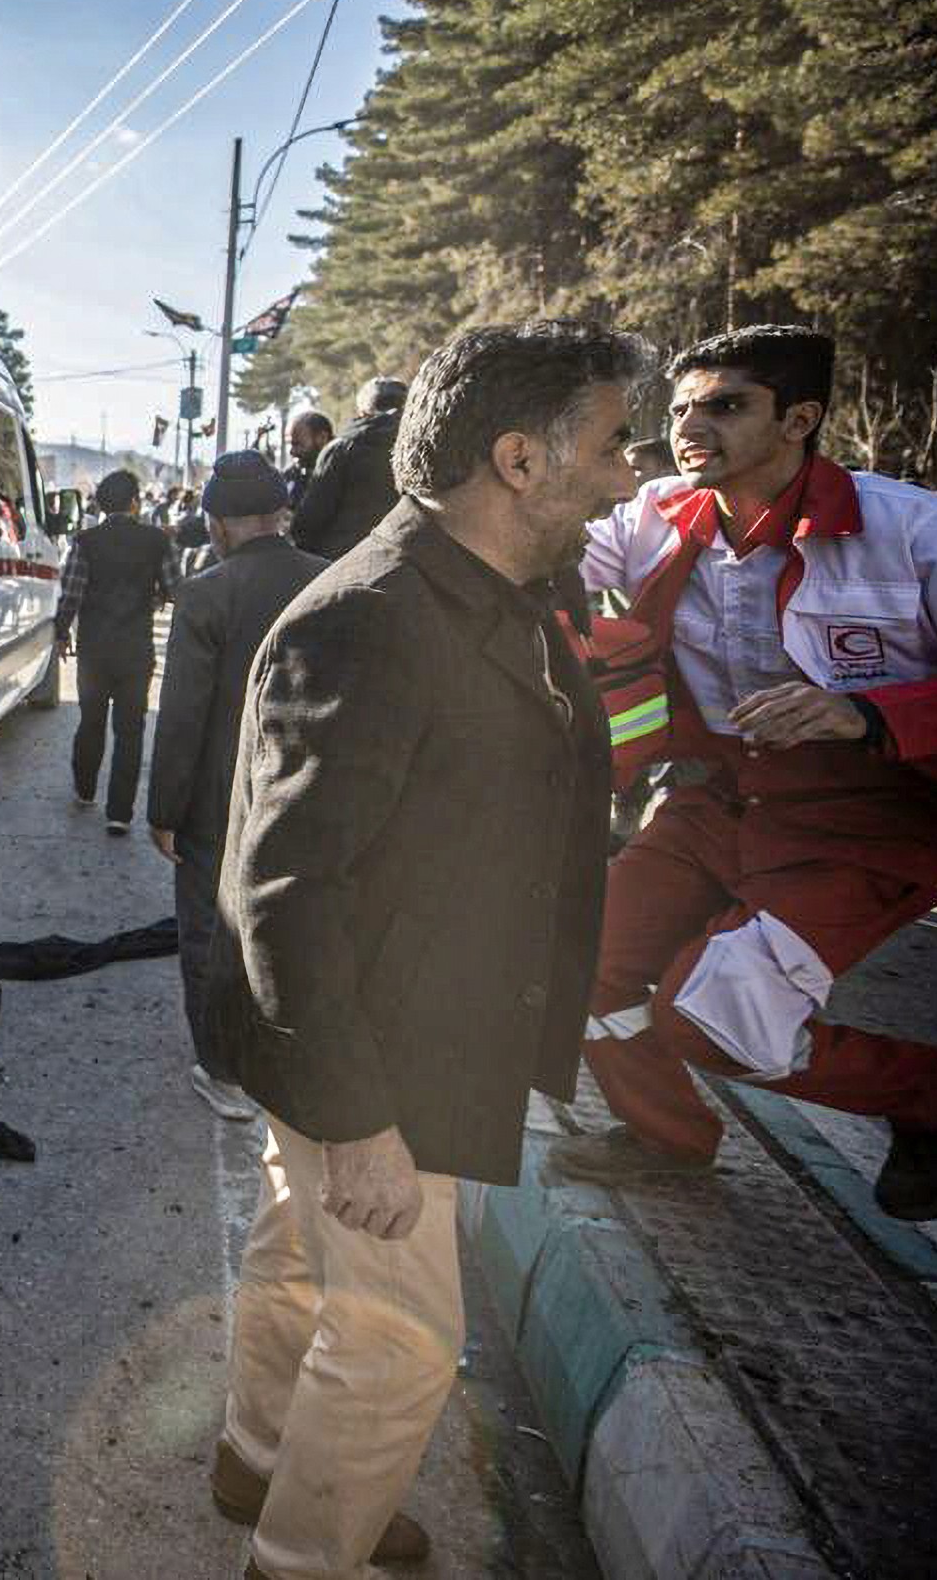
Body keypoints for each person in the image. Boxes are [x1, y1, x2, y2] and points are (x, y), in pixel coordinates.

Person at [207, 320, 645, 1580]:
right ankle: (303, 1554)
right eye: (612, 445)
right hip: (377, 1063)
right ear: (516, 457)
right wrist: (360, 1121)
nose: (629, 475)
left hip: (398, 1034)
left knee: (298, 1250)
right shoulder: (369, 618)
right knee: (401, 1338)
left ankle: (256, 1456)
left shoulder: (504, 596)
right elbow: (286, 890)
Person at [552, 325, 937, 1218]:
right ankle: (666, 1139)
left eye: (726, 405)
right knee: (578, 961)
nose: (693, 425)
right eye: (683, 407)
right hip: (716, 801)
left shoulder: (923, 533)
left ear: (799, 419)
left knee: (713, 1018)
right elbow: (535, 553)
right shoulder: (653, 514)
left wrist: (868, 714)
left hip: (868, 828)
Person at [146, 454, 326, 1123]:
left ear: (216, 525)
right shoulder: (330, 581)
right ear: (281, 513)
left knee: (209, 935)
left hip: (220, 803)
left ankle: (222, 1071)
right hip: (310, 792)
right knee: (294, 932)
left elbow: (182, 714)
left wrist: (163, 810)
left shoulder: (206, 592)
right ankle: (287, 1061)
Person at [54, 469, 170, 836]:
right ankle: (119, 813)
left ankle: (85, 790)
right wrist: (153, 598)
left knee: (91, 721)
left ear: (101, 504)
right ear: (135, 502)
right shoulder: (157, 541)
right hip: (136, 648)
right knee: (130, 730)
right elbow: (174, 586)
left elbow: (71, 591)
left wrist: (61, 633)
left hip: (94, 649)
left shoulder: (84, 541)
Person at [290, 376, 406, 559]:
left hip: (343, 565)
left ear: (362, 412)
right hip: (409, 565)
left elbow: (308, 522)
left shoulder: (341, 449)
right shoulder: (427, 446)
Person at [282, 410, 333, 507]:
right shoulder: (289, 476)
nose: (291, 451)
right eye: (289, 444)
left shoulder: (342, 477)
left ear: (322, 438)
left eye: (297, 444)